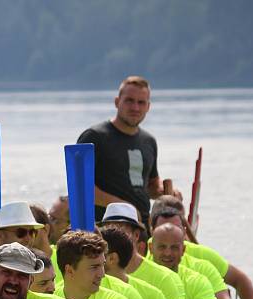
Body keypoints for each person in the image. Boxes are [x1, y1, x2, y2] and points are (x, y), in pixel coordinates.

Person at [151, 195, 253, 299]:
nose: (168, 252)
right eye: (162, 245)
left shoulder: (202, 262)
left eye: (174, 245)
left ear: (184, 232)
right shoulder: (138, 259)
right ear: (151, 233)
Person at [77, 76, 181, 229]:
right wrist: (124, 208)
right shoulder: (94, 136)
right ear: (117, 102)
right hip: (106, 228)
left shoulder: (149, 141)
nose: (135, 108)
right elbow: (82, 187)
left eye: (141, 102)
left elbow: (151, 185)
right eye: (129, 100)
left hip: (143, 227)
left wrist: (167, 193)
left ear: (148, 106)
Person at [99, 203, 186, 299]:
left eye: (121, 230)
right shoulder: (89, 277)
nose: (114, 237)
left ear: (136, 235)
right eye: (109, 231)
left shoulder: (164, 279)